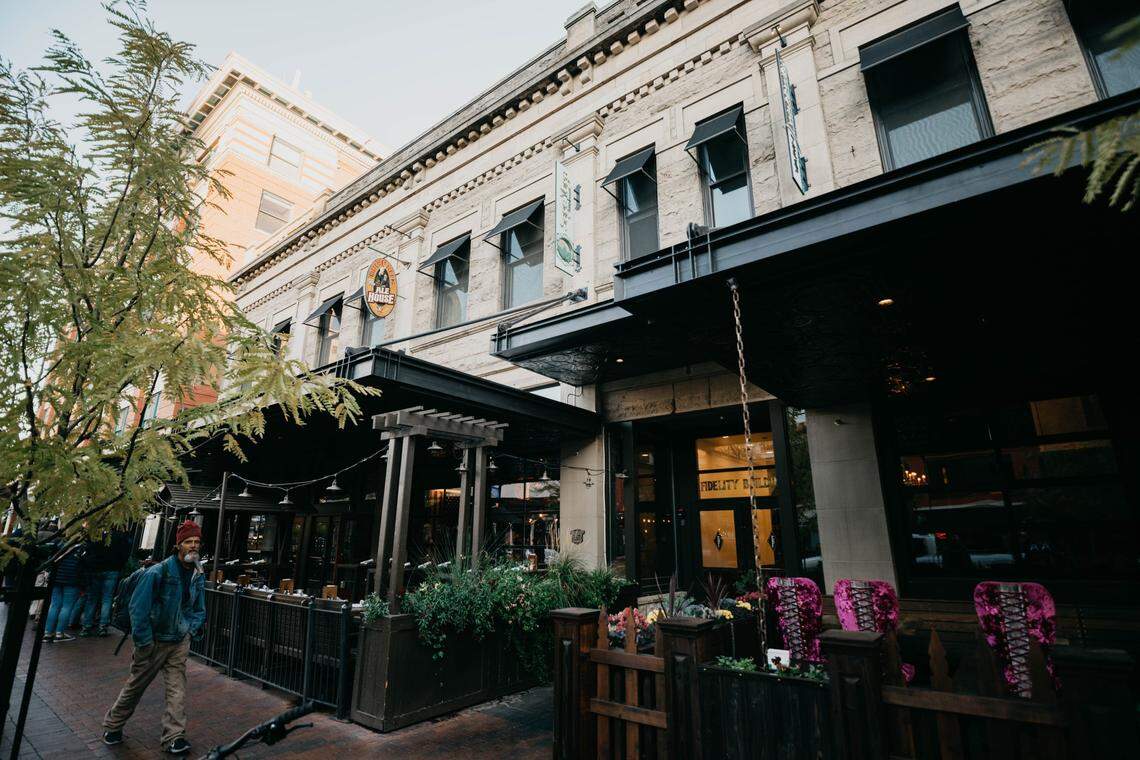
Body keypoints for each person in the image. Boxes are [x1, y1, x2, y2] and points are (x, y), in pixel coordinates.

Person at [102, 520, 205, 755]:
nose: (193, 546)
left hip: (179, 639)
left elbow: (199, 606)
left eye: (196, 542)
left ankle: (174, 736)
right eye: (188, 542)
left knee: (177, 689)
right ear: (178, 545)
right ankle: (113, 725)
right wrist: (145, 642)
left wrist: (191, 629)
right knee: (136, 685)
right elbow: (138, 608)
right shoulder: (158, 572)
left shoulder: (198, 572)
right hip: (154, 640)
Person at [81, 529, 132, 637]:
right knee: (107, 599)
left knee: (92, 598)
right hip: (112, 569)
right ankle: (102, 626)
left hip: (95, 568)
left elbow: (87, 550)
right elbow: (125, 553)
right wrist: (119, 566)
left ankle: (86, 626)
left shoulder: (96, 534)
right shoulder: (119, 536)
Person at [42, 547, 85, 643]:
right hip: (72, 580)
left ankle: (47, 632)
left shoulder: (59, 544)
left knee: (54, 605)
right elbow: (83, 566)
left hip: (56, 578)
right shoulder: (80, 548)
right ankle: (59, 633)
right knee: (67, 607)